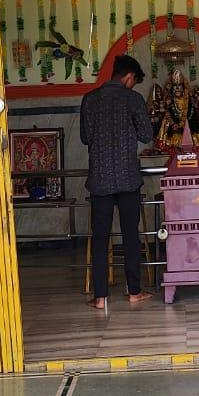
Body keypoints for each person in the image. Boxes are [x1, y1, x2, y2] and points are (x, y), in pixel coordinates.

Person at [79, 55, 154, 309]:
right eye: (134, 81)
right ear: (130, 77)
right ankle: (134, 291)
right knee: (130, 236)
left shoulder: (89, 100)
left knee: (101, 237)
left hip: (99, 180)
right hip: (128, 179)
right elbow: (146, 135)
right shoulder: (133, 99)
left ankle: (100, 298)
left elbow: (85, 137)